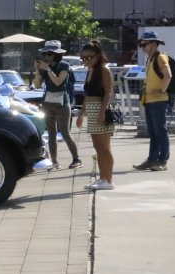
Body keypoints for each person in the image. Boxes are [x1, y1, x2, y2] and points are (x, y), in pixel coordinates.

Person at [75, 41, 117, 191]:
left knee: (105, 147)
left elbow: (108, 93)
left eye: (89, 57)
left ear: (98, 55)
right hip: (92, 110)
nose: (86, 60)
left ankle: (109, 179)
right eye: (83, 58)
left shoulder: (104, 70)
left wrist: (102, 112)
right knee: (97, 147)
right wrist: (81, 114)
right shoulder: (90, 70)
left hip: (101, 110)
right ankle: (102, 177)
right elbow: (87, 95)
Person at [32, 42, 81, 170]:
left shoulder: (64, 65)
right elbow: (37, 85)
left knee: (64, 132)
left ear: (56, 55)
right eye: (44, 54)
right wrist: (37, 70)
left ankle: (76, 158)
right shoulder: (44, 67)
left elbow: (58, 82)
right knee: (51, 133)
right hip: (47, 102)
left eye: (49, 54)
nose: (46, 56)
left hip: (62, 103)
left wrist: (48, 69)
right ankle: (54, 161)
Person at [134, 30, 173, 172]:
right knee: (154, 132)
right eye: (141, 45)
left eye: (144, 44)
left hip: (158, 101)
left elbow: (168, 75)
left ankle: (162, 160)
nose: (142, 47)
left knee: (160, 131)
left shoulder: (160, 57)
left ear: (154, 44)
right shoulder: (150, 59)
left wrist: (161, 91)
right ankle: (152, 160)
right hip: (150, 101)